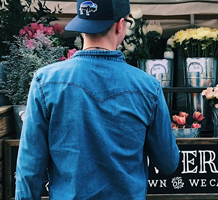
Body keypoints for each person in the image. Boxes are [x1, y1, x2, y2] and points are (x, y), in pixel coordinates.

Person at [15, 0, 180, 199]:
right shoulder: (148, 87)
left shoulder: (45, 81)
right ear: (120, 25)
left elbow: (29, 170)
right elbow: (168, 163)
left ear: (81, 26)